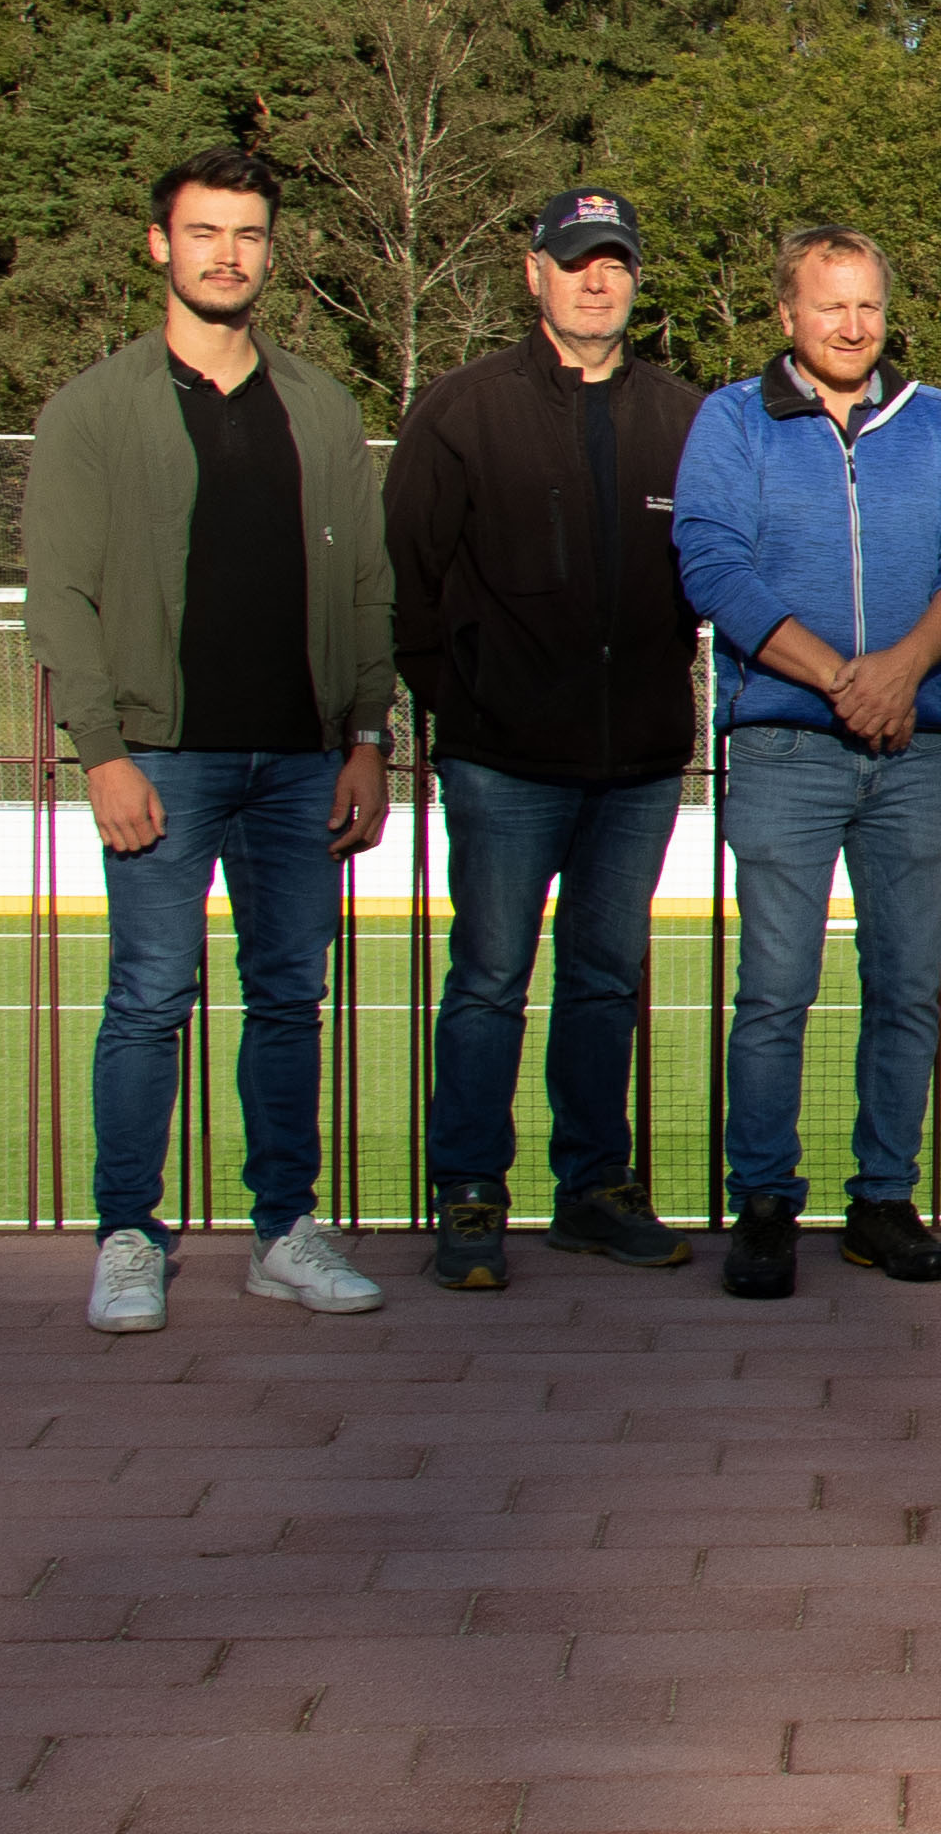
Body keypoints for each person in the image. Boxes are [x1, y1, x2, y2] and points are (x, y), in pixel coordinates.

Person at [33, 148, 400, 1332]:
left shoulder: (321, 403)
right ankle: (128, 1238)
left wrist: (364, 733)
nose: (226, 253)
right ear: (161, 245)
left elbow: (363, 583)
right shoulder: (95, 409)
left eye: (246, 233)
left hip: (300, 759)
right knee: (148, 995)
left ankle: (284, 1230)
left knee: (290, 996)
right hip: (164, 759)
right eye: (203, 233)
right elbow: (61, 597)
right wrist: (102, 750)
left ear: (269, 251)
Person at [674, 226, 941, 1300]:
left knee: (906, 986)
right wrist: (838, 679)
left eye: (867, 305)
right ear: (786, 315)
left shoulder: (938, 420)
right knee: (774, 989)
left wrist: (900, 670)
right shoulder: (731, 421)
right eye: (830, 307)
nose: (853, 326)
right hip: (782, 744)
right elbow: (712, 566)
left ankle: (882, 1199)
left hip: (911, 747)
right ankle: (764, 1203)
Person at [388, 185, 707, 1290]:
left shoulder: (684, 415)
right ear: (534, 272)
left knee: (606, 977)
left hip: (636, 766)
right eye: (576, 261)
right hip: (502, 761)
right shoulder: (461, 411)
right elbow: (409, 585)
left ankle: (592, 1187)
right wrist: (462, 710)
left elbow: (715, 575)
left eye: (614, 260)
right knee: (487, 977)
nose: (596, 279)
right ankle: (470, 1193)